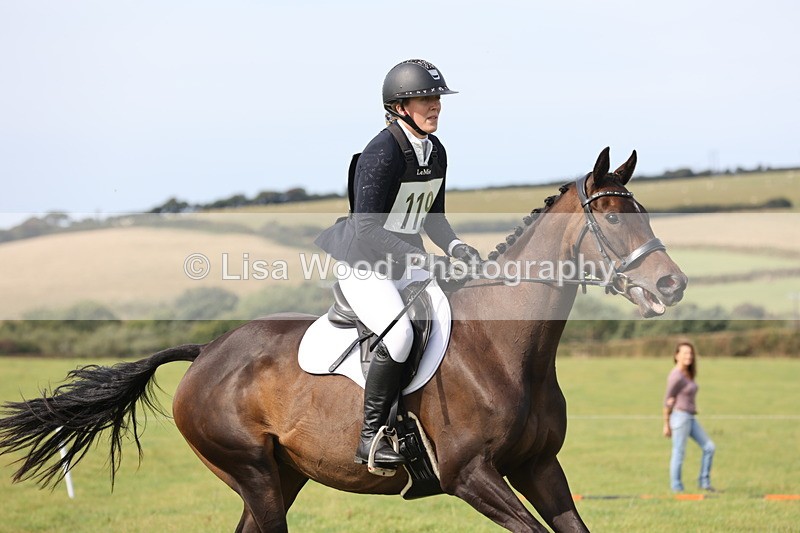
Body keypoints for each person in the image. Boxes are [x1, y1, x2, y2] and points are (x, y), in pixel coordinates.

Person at [315, 59, 482, 472]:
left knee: (455, 320)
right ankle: (371, 436)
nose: (435, 106)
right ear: (400, 106)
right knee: (401, 335)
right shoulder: (381, 152)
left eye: (437, 98)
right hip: (365, 266)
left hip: (405, 261)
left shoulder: (435, 150)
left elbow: (433, 217)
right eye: (426, 98)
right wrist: (422, 258)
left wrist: (458, 247)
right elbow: (367, 228)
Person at [663, 341, 716, 492]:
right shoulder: (676, 376)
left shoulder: (687, 373)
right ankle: (677, 487)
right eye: (685, 353)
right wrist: (666, 424)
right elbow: (667, 401)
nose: (689, 356)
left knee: (709, 447)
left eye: (690, 353)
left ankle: (704, 483)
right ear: (677, 355)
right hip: (680, 417)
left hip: (690, 417)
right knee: (679, 452)